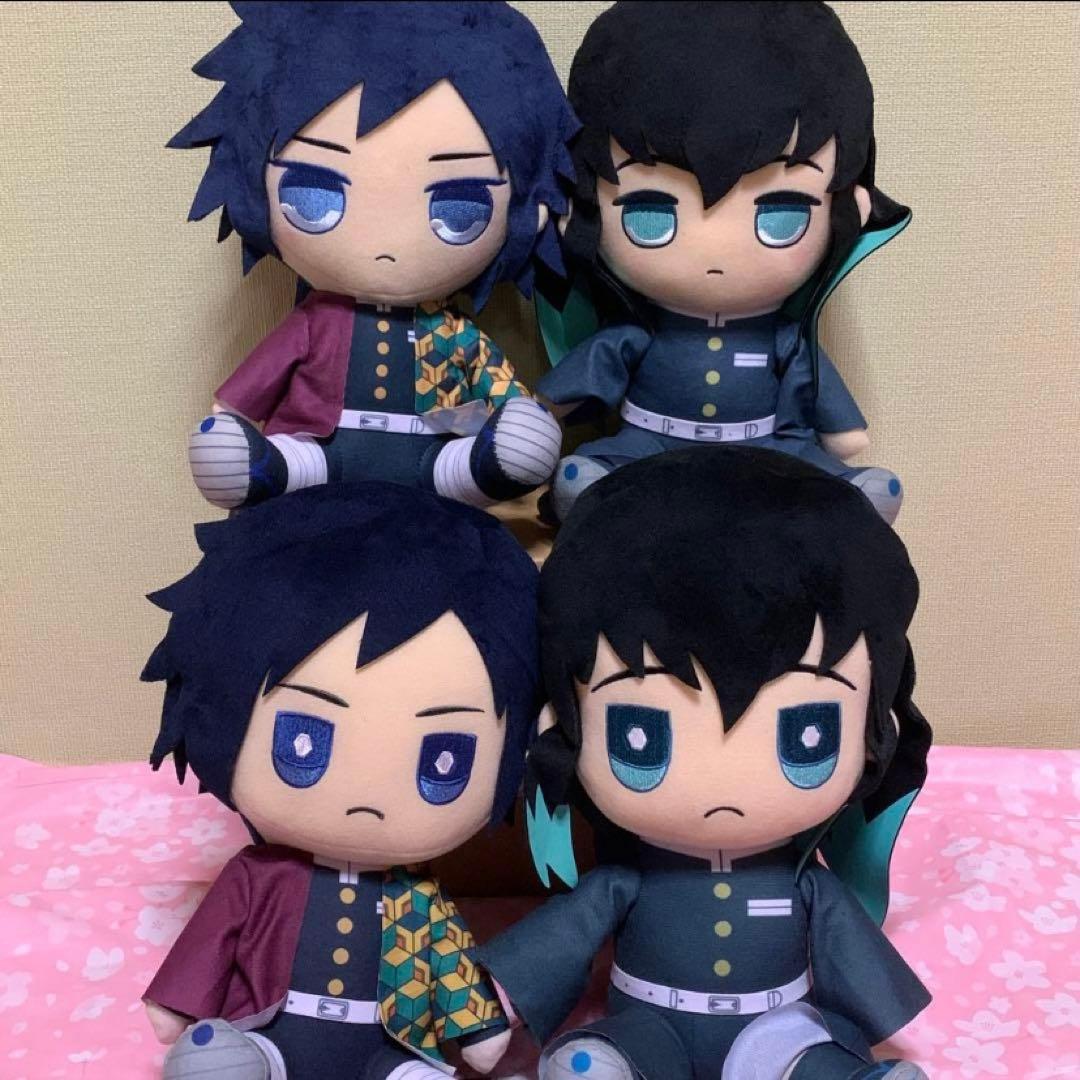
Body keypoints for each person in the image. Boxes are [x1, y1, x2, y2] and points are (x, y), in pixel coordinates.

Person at [480, 446, 933, 1080]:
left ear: (874, 728)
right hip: (650, 1022)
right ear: (563, 725)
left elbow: (854, 958)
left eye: (807, 737)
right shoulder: (623, 883)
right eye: (641, 738)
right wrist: (494, 1000)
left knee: (806, 1060)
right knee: (608, 1059)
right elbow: (562, 938)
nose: (726, 786)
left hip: (779, 1029)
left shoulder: (807, 885)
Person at [141, 483, 540, 1079]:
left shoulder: (420, 900)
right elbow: (209, 945)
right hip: (268, 1035)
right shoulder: (257, 879)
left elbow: (452, 966)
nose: (368, 800)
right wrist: (179, 1007)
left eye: (444, 761)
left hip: (392, 1049)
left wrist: (479, 1028)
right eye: (303, 742)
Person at [173, 2, 578, 511]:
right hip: (322, 450)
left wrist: (518, 417)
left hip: (433, 456)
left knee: (489, 453)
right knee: (294, 463)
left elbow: (498, 385)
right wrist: (230, 415)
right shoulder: (313, 324)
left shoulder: (455, 333)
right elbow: (251, 386)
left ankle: (486, 468)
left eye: (458, 207)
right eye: (316, 195)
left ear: (530, 209)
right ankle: (264, 469)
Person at [538, 2, 911, 524]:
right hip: (650, 441)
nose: (714, 249)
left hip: (765, 447)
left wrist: (842, 436)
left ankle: (849, 496)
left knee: (815, 471)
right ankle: (595, 488)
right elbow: (581, 378)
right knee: (592, 470)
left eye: (780, 215)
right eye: (651, 215)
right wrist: (545, 411)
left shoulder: (786, 341)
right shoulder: (636, 335)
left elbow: (839, 429)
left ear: (851, 206)